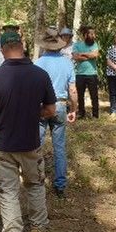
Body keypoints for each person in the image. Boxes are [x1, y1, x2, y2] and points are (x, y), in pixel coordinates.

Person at [0, 31, 56, 232]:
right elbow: (50, 110)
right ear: (22, 47)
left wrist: (2, 112)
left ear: (3, 50)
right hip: (31, 142)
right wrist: (32, 112)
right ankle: (39, 226)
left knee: (8, 192)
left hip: (3, 145)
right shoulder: (40, 75)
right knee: (35, 185)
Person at [35, 28, 78, 199]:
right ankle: (60, 185)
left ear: (45, 46)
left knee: (37, 145)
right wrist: (74, 109)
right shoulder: (67, 63)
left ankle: (37, 180)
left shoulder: (37, 63)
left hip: (40, 106)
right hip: (60, 105)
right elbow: (73, 90)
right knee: (59, 147)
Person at [72, 26, 100, 119]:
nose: (93, 36)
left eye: (94, 34)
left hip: (92, 73)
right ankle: (81, 112)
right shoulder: (77, 45)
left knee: (94, 95)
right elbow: (75, 57)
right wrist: (88, 55)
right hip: (80, 74)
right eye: (91, 34)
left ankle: (95, 114)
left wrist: (82, 54)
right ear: (85, 35)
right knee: (80, 95)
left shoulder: (94, 44)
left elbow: (95, 55)